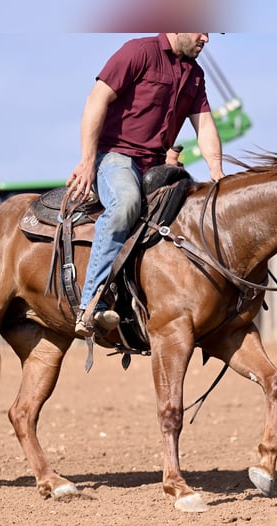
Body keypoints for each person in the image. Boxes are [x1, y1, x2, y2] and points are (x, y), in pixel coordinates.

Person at [67, 33, 226, 337]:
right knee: (126, 202)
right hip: (115, 157)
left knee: (195, 212)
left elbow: (204, 124)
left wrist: (216, 170)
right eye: (201, 31)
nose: (206, 38)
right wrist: (88, 161)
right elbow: (96, 99)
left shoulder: (194, 74)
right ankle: (91, 305)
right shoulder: (138, 52)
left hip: (156, 165)